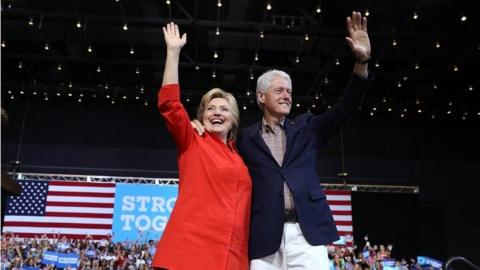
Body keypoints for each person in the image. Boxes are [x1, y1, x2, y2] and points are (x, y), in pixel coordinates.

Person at [192, 11, 372, 269]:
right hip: (264, 237)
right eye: (279, 91)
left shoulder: (308, 128)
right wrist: (199, 128)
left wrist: (361, 62)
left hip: (307, 235)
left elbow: (346, 107)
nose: (287, 96)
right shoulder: (245, 139)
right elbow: (218, 154)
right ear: (261, 96)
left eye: (289, 91)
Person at [152, 22, 252, 270]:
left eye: (224, 109)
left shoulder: (241, 158)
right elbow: (170, 106)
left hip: (232, 257)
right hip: (189, 253)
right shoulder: (193, 140)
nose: (216, 113)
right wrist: (173, 53)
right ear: (202, 115)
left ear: (234, 119)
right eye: (210, 108)